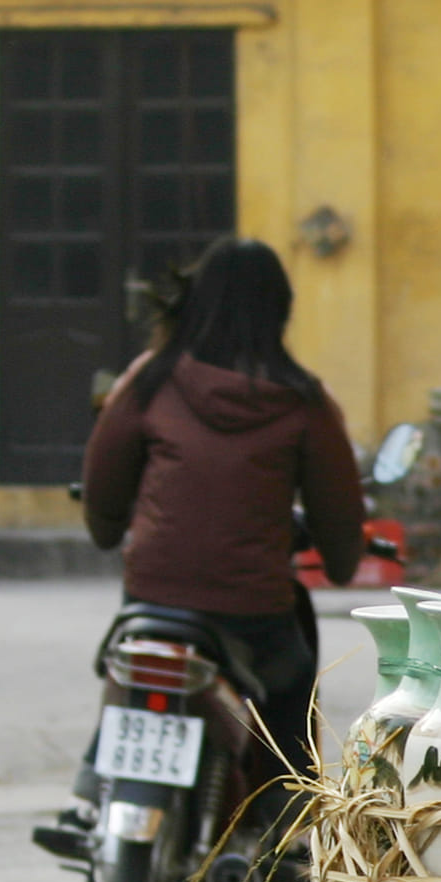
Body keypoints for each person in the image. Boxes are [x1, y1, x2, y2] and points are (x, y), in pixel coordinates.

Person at [80, 237, 365, 849]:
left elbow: (103, 486)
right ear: (280, 311)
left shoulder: (147, 381)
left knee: (129, 665)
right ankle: (280, 812)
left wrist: (108, 530)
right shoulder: (305, 401)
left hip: (155, 596)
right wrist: (341, 561)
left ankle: (92, 778)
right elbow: (339, 515)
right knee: (289, 684)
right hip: (253, 611)